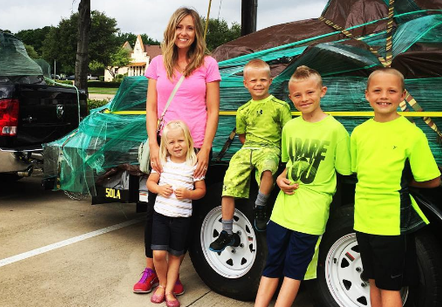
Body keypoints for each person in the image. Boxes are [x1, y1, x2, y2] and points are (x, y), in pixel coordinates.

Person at [134, 7, 220, 295]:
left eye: (190, 28)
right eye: (180, 27)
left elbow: (213, 109)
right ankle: (151, 269)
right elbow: (151, 107)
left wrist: (205, 149)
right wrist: (155, 144)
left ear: (197, 33)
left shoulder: (207, 64)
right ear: (171, 30)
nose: (184, 33)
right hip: (165, 145)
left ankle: (173, 276)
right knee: (155, 208)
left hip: (193, 145)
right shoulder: (158, 63)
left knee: (185, 212)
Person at [254, 65, 351, 307]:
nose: (304, 99)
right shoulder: (290, 128)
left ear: (322, 92)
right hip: (284, 208)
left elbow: (346, 170)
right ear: (290, 97)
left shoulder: (335, 130)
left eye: (310, 93)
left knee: (295, 267)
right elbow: (289, 164)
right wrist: (279, 178)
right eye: (297, 95)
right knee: (272, 261)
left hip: (312, 210)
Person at [351, 67, 441, 307]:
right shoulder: (359, 133)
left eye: (392, 91)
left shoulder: (412, 134)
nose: (384, 96)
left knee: (390, 286)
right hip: (363, 220)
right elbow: (356, 170)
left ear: (402, 96)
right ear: (367, 95)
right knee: (372, 280)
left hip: (391, 224)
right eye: (377, 90)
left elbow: (432, 179)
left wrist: (405, 182)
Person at [209, 59, 292, 252]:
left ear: (270, 81)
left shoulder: (280, 106)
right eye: (253, 81)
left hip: (270, 147)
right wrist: (250, 151)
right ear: (245, 84)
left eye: (263, 80)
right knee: (228, 183)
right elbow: (242, 135)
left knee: (269, 167)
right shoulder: (243, 110)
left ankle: (260, 206)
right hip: (248, 148)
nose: (258, 84)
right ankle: (226, 232)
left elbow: (288, 132)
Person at [146, 120, 206, 307]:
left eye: (180, 140)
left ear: (188, 141)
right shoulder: (163, 162)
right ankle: (162, 284)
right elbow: (150, 183)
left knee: (175, 257)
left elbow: (201, 190)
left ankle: (169, 291)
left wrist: (189, 194)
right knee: (158, 254)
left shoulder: (194, 164)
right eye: (171, 142)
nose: (176, 145)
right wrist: (158, 189)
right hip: (161, 216)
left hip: (181, 219)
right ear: (165, 145)